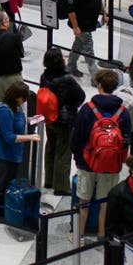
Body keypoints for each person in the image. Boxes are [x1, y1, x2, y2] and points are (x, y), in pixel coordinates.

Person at [71, 69, 133, 239]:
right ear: (115, 87)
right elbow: (126, 139)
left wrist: (78, 158)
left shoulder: (87, 109)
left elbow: (77, 138)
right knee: (105, 202)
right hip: (111, 165)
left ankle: (79, 236)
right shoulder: (123, 112)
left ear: (99, 85)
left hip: (87, 163)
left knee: (83, 202)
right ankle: (101, 234)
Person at [0, 82, 40, 221]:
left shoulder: (17, 107)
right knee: (1, 183)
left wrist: (30, 120)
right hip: (4, 154)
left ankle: (4, 209)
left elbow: (18, 120)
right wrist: (30, 137)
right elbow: (9, 137)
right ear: (16, 97)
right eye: (24, 98)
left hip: (15, 154)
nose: (26, 101)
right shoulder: (3, 111)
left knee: (8, 182)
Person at [39, 48, 85, 196]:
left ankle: (49, 180)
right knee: (63, 152)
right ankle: (61, 186)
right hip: (64, 120)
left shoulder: (44, 76)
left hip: (49, 118)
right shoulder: (68, 79)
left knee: (50, 147)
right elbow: (80, 96)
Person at [65, 0, 108, 78]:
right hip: (81, 25)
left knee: (78, 45)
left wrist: (104, 14)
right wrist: (75, 26)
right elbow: (71, 8)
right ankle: (96, 77)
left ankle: (70, 66)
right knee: (89, 48)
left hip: (90, 23)